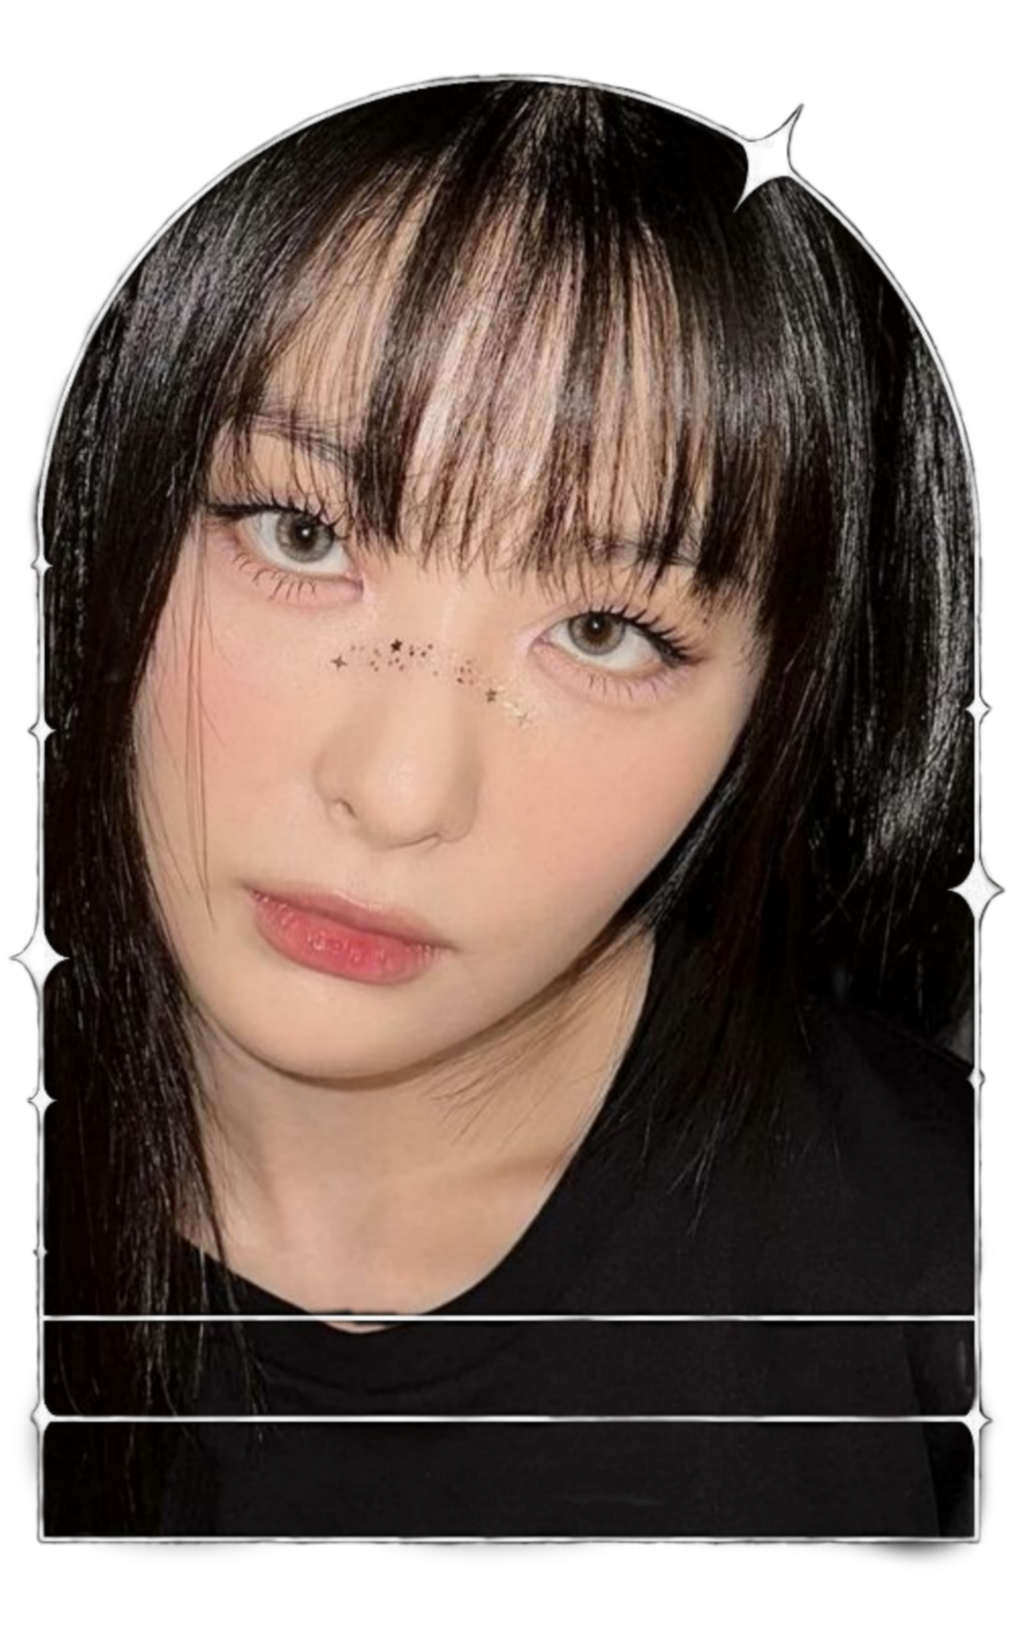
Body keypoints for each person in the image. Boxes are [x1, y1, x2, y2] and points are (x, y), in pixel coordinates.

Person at [40, 76, 989, 1559]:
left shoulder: (931, 1280)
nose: (399, 792)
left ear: (782, 701)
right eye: (303, 532)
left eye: (606, 630)